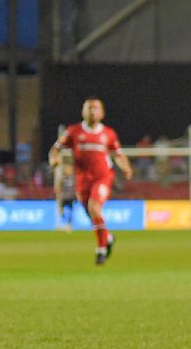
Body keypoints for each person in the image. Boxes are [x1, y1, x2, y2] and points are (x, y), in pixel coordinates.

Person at [49, 97, 134, 265]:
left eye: (95, 108)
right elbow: (55, 149)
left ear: (102, 113)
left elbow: (118, 153)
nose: (92, 111)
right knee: (91, 213)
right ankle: (107, 237)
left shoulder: (108, 134)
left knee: (94, 208)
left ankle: (101, 250)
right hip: (82, 180)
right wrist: (54, 159)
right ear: (83, 111)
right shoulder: (73, 131)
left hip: (102, 177)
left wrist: (126, 167)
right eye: (89, 108)